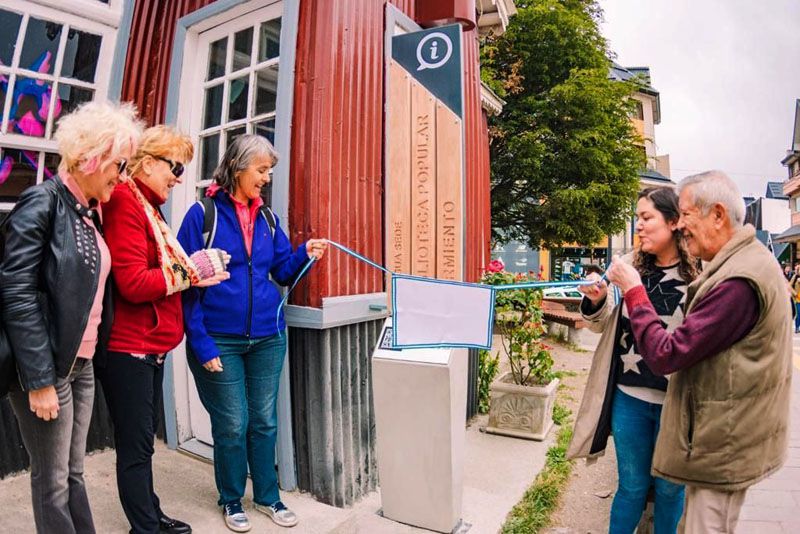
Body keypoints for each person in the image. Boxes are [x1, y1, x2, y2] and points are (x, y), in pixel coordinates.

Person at [607, 170, 792, 533]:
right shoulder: (744, 263)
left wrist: (634, 291)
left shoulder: (737, 280)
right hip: (712, 430)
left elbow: (666, 355)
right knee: (634, 488)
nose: (682, 226)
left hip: (724, 442)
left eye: (686, 214)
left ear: (718, 215)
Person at [0, 101, 143, 534]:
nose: (122, 175)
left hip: (79, 365)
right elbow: (16, 291)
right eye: (119, 164)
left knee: (74, 473)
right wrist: (39, 379)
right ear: (92, 156)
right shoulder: (42, 202)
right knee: (53, 482)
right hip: (49, 368)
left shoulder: (88, 212)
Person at [177, 135, 327, 532]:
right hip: (218, 338)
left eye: (269, 171)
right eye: (261, 170)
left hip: (267, 337)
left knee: (263, 420)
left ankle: (267, 496)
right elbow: (185, 284)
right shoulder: (201, 215)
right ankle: (230, 498)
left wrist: (303, 254)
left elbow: (279, 272)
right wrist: (200, 340)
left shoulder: (267, 219)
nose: (266, 177)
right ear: (238, 167)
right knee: (232, 423)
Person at [99, 126, 230, 534]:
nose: (178, 177)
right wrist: (192, 271)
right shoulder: (125, 201)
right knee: (135, 449)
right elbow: (134, 283)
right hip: (129, 349)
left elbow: (163, 271)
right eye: (175, 167)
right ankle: (146, 527)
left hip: (147, 349)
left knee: (141, 446)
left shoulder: (147, 205)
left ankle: (152, 515)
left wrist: (194, 270)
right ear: (149, 161)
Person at [567, 187, 697, 533]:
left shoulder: (698, 277)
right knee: (632, 487)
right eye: (636, 218)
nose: (638, 226)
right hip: (630, 398)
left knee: (671, 488)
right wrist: (596, 300)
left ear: (673, 222)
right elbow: (602, 325)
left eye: (646, 218)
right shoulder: (628, 267)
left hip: (678, 404)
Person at [789, 265, 800, 333]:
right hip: (797, 298)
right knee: (798, 313)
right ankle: (797, 327)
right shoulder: (795, 277)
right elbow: (789, 286)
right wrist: (795, 293)